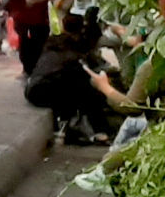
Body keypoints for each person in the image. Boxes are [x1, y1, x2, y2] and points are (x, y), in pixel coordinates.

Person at [25, 11, 132, 145]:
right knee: (87, 90)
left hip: (33, 90)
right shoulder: (74, 50)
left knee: (79, 87)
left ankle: (77, 129)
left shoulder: (53, 43)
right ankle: (100, 132)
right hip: (46, 90)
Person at [5, 0, 65, 76]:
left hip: (41, 18)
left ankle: (37, 71)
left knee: (40, 45)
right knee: (24, 45)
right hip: (21, 17)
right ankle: (27, 70)